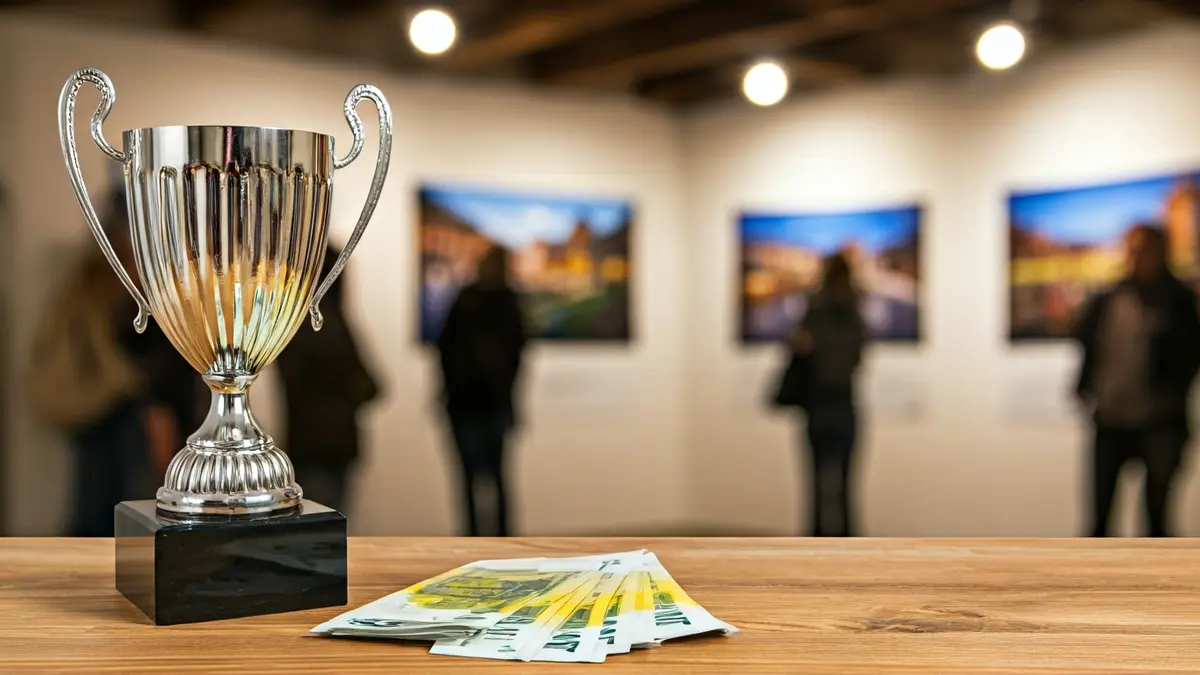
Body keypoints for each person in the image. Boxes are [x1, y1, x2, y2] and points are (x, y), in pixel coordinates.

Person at [28, 187, 197, 536]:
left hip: (116, 414)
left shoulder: (106, 276)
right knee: (121, 517)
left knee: (107, 514)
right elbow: (139, 358)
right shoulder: (123, 281)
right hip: (125, 417)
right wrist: (156, 409)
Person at [1073, 223, 1200, 537]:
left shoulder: (1178, 301)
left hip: (1160, 423)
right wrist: (1085, 389)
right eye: (1132, 249)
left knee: (1157, 521)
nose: (1135, 256)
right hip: (1110, 421)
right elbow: (1089, 345)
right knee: (1099, 521)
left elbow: (1189, 357)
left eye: (1142, 249)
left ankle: (1157, 586)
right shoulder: (1110, 299)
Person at [277, 243, 379, 515]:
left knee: (316, 529)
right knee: (326, 529)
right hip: (331, 442)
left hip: (308, 439)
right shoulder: (334, 324)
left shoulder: (293, 325)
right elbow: (371, 386)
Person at [436, 246, 528, 536]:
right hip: (481, 405)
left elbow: (446, 351)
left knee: (476, 480)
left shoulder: (472, 302)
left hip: (472, 405)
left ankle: (476, 542)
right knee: (492, 479)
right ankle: (497, 542)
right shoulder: (503, 304)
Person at [782, 252, 867, 537]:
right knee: (845, 487)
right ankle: (849, 549)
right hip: (845, 406)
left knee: (815, 486)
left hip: (817, 407)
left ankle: (814, 547)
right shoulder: (856, 313)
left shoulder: (814, 312)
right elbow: (857, 361)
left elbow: (801, 351)